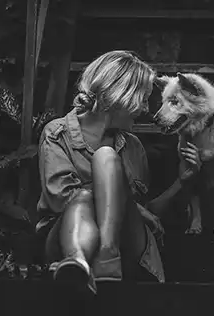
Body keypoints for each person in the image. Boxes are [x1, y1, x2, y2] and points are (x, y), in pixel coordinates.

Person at [36, 50, 201, 294]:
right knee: (83, 194)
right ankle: (77, 263)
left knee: (104, 159)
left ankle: (103, 256)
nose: (146, 109)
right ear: (122, 96)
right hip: (63, 238)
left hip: (127, 248)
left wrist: (182, 182)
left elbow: (141, 215)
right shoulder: (57, 133)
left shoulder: (133, 147)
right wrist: (119, 196)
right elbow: (61, 199)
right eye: (143, 99)